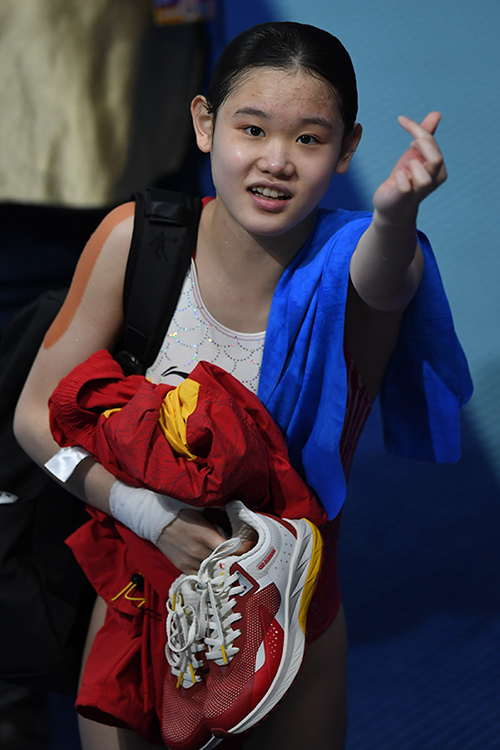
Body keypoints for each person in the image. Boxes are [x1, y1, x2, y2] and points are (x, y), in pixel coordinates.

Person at [13, 20, 472, 750]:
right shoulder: (135, 242)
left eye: (310, 139)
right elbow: (35, 417)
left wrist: (395, 216)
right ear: (204, 124)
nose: (276, 161)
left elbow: (387, 275)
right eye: (251, 129)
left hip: (291, 633)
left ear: (347, 149)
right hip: (137, 614)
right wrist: (147, 516)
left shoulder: (359, 268)